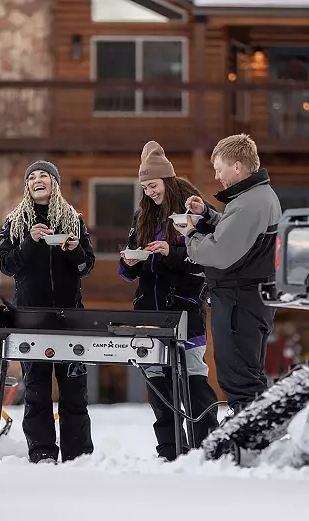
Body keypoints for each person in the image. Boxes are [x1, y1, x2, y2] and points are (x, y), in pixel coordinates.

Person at [119, 141, 219, 461]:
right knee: (158, 384)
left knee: (193, 381)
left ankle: (206, 448)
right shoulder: (142, 216)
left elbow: (207, 260)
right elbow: (128, 269)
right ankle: (170, 449)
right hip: (149, 311)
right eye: (145, 186)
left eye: (153, 185)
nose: (149, 191)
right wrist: (129, 264)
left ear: (167, 180)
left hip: (186, 309)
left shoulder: (192, 210)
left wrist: (170, 254)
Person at [173, 133, 281, 418]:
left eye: (219, 168)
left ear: (237, 166)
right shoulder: (256, 197)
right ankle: (255, 431)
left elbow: (220, 252)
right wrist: (208, 215)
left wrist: (191, 234)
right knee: (247, 372)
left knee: (239, 376)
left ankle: (249, 437)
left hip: (238, 301)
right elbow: (234, 233)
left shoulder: (249, 203)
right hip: (249, 298)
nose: (217, 175)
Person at [0, 160, 95, 464]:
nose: (38, 180)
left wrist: (73, 249)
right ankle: (41, 453)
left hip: (70, 318)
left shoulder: (73, 220)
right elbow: (6, 264)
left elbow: (86, 266)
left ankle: (78, 456)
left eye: (45, 176)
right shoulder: (15, 221)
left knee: (74, 391)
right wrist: (31, 241)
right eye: (33, 177)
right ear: (27, 185)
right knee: (37, 390)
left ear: (55, 183)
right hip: (31, 319)